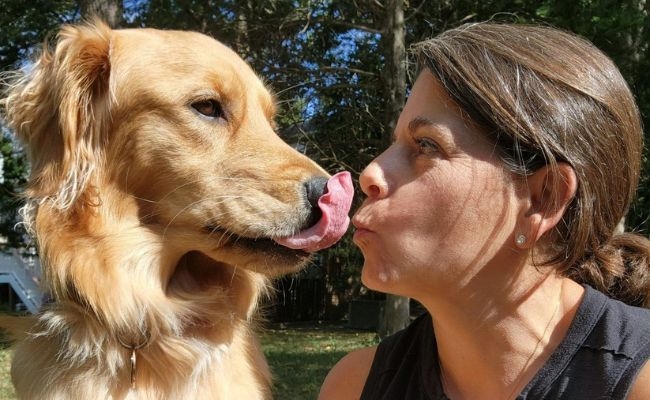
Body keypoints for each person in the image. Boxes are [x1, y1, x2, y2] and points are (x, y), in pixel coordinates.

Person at [318, 22, 650, 400]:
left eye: (426, 145)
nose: (369, 174)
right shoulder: (355, 386)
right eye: (396, 144)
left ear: (545, 198)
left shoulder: (638, 381)